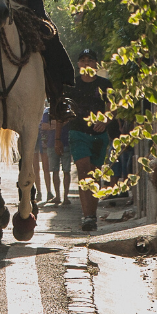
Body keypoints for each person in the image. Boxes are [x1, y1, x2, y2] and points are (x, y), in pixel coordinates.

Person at [54, 48, 112, 231]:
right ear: (78, 64)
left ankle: (91, 216)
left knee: (95, 174)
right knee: (83, 171)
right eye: (83, 60)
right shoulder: (71, 86)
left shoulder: (105, 84)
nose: (86, 63)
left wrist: (106, 121)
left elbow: (112, 108)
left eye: (90, 59)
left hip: (99, 136)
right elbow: (61, 113)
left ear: (96, 63)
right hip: (77, 133)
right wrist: (57, 138)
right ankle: (86, 215)